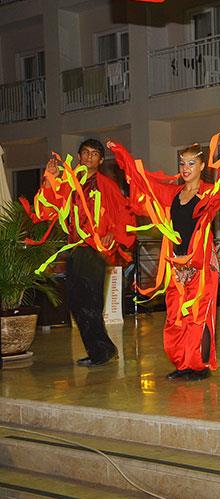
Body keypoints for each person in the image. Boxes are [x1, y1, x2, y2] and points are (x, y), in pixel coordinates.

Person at [108, 136, 220, 381]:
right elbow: (143, 181)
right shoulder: (173, 194)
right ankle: (182, 363)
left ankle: (198, 365)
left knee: (198, 317)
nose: (185, 168)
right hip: (176, 266)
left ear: (202, 166)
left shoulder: (208, 193)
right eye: (182, 164)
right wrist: (122, 154)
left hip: (201, 266)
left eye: (191, 163)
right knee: (177, 317)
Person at [28, 138, 135, 366]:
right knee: (76, 302)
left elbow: (124, 213)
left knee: (91, 302)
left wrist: (112, 233)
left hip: (95, 249)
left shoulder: (107, 185)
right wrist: (50, 179)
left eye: (94, 154)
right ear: (78, 156)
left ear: (101, 160)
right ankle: (101, 349)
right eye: (85, 153)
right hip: (75, 248)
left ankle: (101, 351)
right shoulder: (70, 182)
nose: (89, 157)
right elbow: (49, 208)